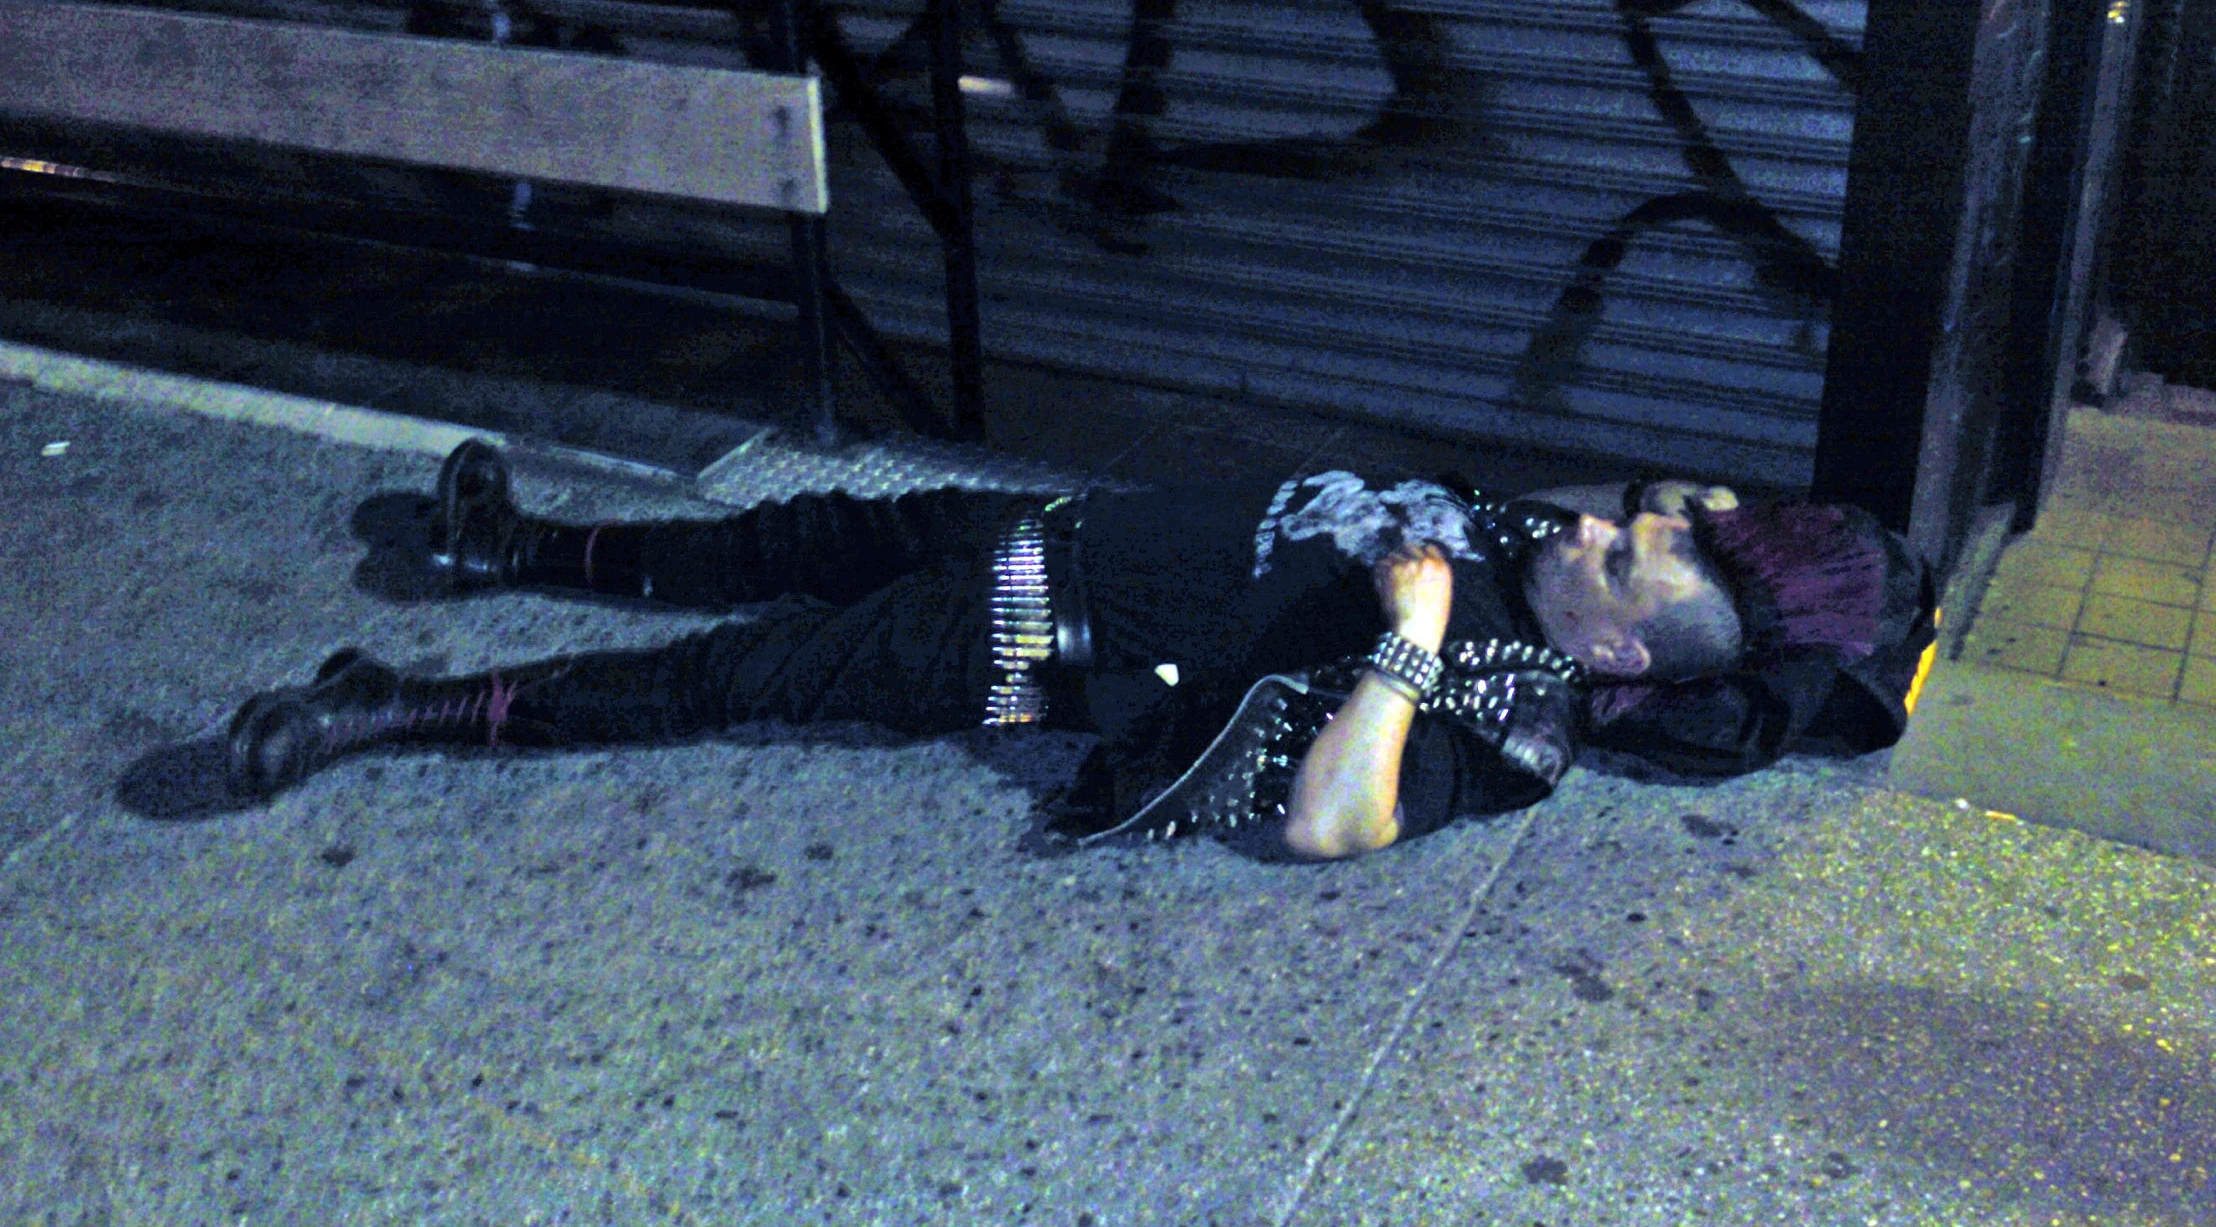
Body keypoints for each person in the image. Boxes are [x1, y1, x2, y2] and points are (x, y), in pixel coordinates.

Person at [224, 442, 1934, 859]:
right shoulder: (1508, 537)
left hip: (1051, 635)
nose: (1586, 528)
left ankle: (387, 717)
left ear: (1631, 658)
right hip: (1055, 525)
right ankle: (517, 547)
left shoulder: (1518, 719)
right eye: (1623, 513)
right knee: (792, 532)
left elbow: (1330, 825)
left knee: (751, 669)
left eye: (1622, 555)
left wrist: (1407, 646)